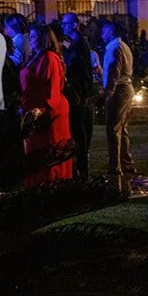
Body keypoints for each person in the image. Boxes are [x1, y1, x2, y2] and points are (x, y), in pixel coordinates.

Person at [19, 24, 73, 186]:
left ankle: (50, 183)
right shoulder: (37, 56)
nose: (32, 40)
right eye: (31, 37)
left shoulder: (49, 58)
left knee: (49, 148)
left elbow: (53, 87)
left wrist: (42, 109)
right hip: (35, 108)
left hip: (48, 111)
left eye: (35, 37)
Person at [101, 18, 136, 193]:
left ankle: (115, 165)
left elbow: (114, 72)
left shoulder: (116, 49)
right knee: (122, 128)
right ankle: (126, 162)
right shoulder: (122, 47)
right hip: (126, 87)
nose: (102, 33)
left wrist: (108, 92)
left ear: (112, 31)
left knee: (113, 128)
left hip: (120, 90)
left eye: (104, 31)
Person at [59, 13, 97, 179]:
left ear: (74, 25)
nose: (63, 25)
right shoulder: (76, 43)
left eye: (66, 23)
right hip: (81, 94)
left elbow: (77, 69)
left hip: (79, 95)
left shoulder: (79, 45)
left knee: (80, 134)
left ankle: (82, 171)